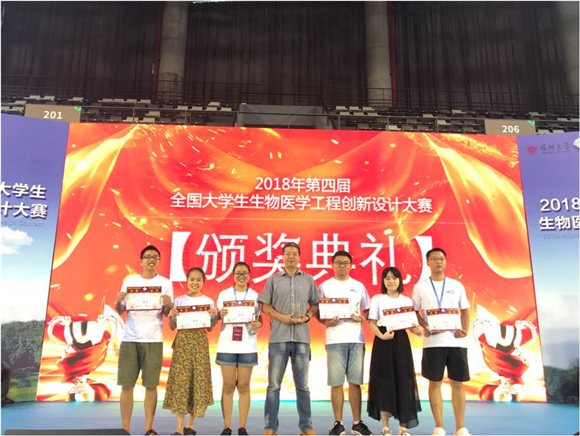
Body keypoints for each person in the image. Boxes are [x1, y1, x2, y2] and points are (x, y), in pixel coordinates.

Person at [258, 242, 319, 435]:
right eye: (287, 254)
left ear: (299, 257)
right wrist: (282, 317)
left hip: (301, 339)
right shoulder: (273, 280)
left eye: (294, 254)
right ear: (282, 257)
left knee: (303, 386)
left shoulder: (308, 280)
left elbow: (315, 305)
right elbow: (264, 306)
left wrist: (307, 317)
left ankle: (306, 427)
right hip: (279, 338)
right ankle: (270, 427)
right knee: (273, 386)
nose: (291, 257)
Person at [411, 248, 471, 436]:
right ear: (427, 262)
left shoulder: (456, 285)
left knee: (458, 383)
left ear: (446, 262)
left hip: (456, 343)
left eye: (442, 259)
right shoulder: (420, 287)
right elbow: (414, 312)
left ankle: (460, 427)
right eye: (434, 259)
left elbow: (465, 310)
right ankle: (439, 426)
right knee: (434, 383)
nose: (438, 262)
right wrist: (425, 326)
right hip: (433, 342)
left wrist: (464, 330)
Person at [116, 245, 173, 435]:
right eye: (147, 257)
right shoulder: (130, 282)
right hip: (130, 339)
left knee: (151, 385)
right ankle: (125, 428)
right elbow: (120, 310)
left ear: (158, 261)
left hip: (153, 339)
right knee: (126, 385)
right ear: (141, 261)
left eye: (155, 257)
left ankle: (149, 428)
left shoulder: (165, 283)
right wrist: (118, 301)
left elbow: (167, 313)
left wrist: (168, 305)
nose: (151, 260)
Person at [317, 250, 372, 436]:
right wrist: (326, 321)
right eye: (338, 263)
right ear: (332, 265)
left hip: (356, 339)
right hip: (334, 340)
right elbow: (318, 311)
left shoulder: (358, 286)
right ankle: (338, 423)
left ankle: (357, 423)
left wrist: (362, 318)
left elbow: (367, 310)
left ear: (350, 265)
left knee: (355, 382)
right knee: (336, 383)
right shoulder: (324, 286)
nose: (342, 266)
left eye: (345, 263)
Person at [163, 267, 218, 435]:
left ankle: (190, 426)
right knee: (181, 382)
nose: (195, 283)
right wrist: (171, 315)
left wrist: (215, 315)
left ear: (203, 282)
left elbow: (210, 328)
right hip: (183, 344)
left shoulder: (208, 301)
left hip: (200, 344)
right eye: (192, 279)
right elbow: (172, 327)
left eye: (198, 280)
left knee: (198, 381)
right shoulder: (179, 301)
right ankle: (179, 429)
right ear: (187, 281)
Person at [367, 267, 422, 436]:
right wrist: (382, 336)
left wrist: (418, 330)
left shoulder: (407, 301)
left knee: (403, 380)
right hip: (383, 341)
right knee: (383, 381)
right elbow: (372, 323)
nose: (391, 281)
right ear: (383, 281)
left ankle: (403, 426)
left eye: (394, 278)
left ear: (400, 280)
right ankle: (386, 426)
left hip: (401, 342)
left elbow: (412, 326)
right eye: (387, 278)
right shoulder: (377, 299)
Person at [216, 261, 263, 436]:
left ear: (249, 275)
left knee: (243, 386)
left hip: (247, 345)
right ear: (233, 275)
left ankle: (242, 426)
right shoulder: (224, 294)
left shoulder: (255, 296)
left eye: (244, 273)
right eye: (238, 273)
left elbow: (259, 319)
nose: (241, 276)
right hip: (227, 344)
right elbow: (216, 316)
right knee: (228, 386)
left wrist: (258, 324)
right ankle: (227, 426)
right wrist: (218, 314)